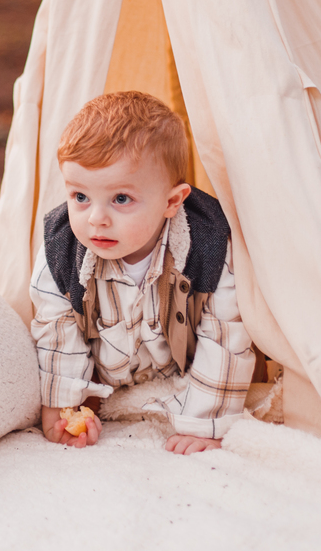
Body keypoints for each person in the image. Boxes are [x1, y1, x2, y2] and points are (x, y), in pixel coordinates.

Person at [31, 91, 255, 454]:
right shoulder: (62, 248)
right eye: (80, 197)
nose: (96, 219)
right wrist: (64, 411)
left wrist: (204, 425)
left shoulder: (208, 245)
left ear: (172, 201)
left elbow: (224, 335)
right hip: (108, 378)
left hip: (181, 377)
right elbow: (56, 330)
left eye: (121, 199)